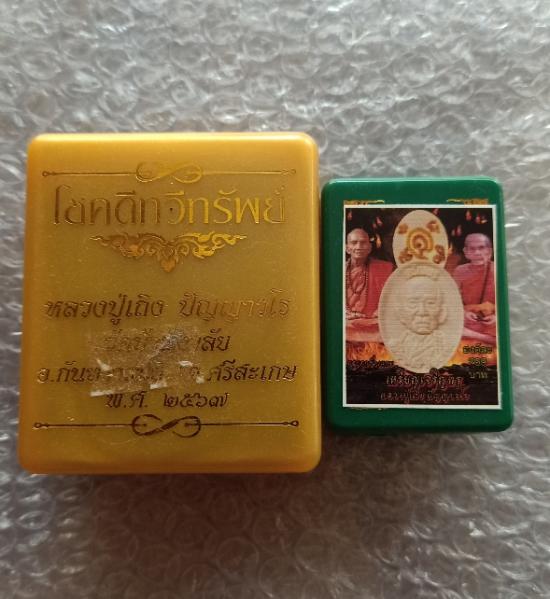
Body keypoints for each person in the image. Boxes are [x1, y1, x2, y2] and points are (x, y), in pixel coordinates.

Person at [389, 274, 447, 372]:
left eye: (430, 303)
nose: (422, 312)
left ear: (442, 311)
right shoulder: (394, 347)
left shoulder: (445, 347)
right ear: (400, 311)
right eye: (413, 303)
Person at [345, 228, 393, 344]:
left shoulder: (383, 268)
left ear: (369, 248)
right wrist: (344, 312)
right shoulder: (338, 271)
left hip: (373, 322)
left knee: (391, 327)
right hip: (349, 322)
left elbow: (393, 300)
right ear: (347, 248)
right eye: (354, 243)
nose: (359, 246)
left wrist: (382, 310)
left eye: (363, 243)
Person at [452, 233, 496, 340]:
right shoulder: (460, 271)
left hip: (492, 321)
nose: (477, 252)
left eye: (481, 248)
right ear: (465, 251)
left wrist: (497, 317)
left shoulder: (497, 270)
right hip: (469, 320)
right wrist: (465, 313)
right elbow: (453, 301)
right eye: (472, 249)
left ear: (489, 251)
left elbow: (507, 302)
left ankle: (480, 336)